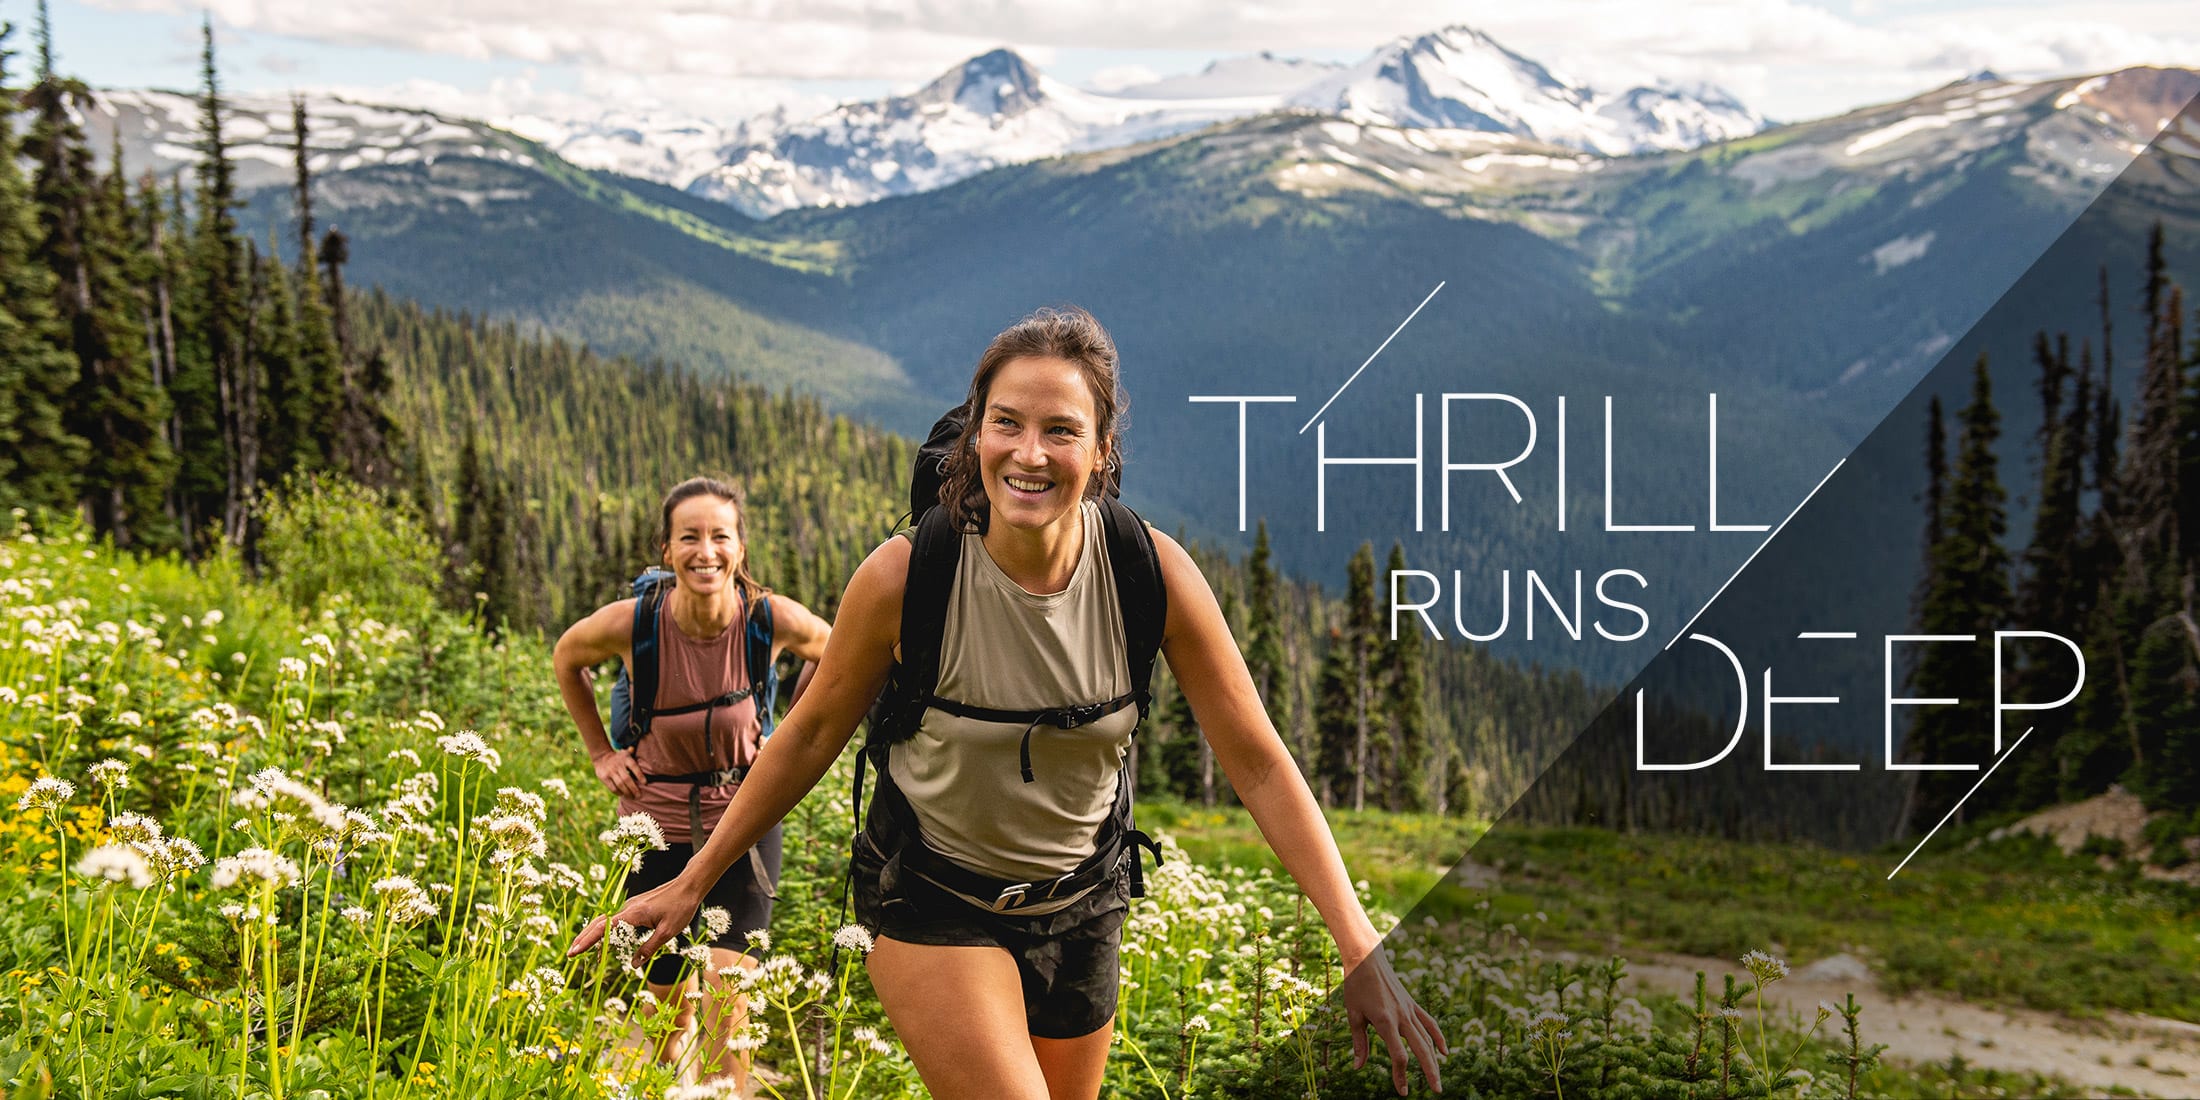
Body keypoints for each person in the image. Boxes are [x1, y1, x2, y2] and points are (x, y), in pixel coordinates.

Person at [570, 310, 1446, 1099]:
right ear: (974, 437)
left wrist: (1357, 943)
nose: (1029, 453)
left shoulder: (1152, 575)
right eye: (1007, 424)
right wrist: (690, 884)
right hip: (931, 896)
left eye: (1061, 431)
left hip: (1085, 902)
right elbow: (804, 741)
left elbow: (1257, 761)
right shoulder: (906, 576)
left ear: (1100, 451)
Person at [553, 476, 831, 1091]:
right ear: (667, 550)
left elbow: (833, 651)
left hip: (744, 823)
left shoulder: (767, 618)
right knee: (666, 998)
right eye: (690, 538)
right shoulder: (634, 624)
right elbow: (566, 658)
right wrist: (601, 752)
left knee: (728, 994)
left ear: (740, 547)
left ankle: (727, 1089)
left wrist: (785, 736)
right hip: (655, 824)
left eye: (720, 536)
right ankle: (661, 1071)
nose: (706, 551)